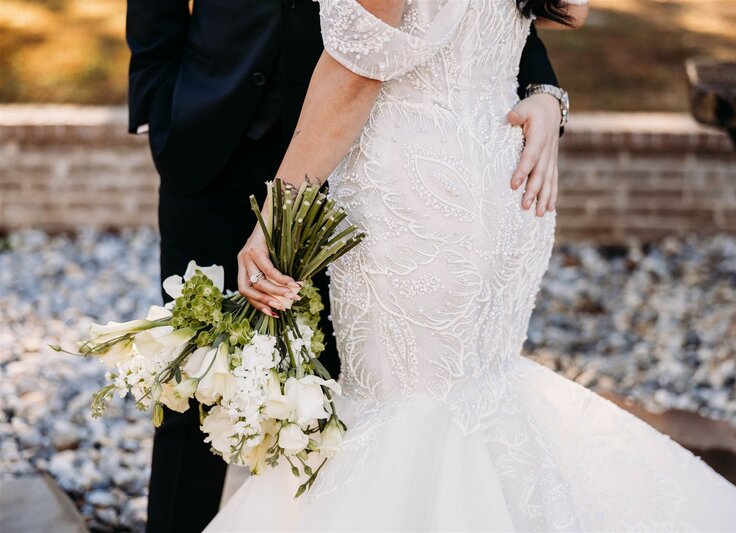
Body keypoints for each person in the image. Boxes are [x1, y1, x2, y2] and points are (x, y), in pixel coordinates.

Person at [208, 0, 736, 531]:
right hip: (501, 177)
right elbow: (571, 9)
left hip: (419, 196)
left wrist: (276, 217)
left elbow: (355, 77)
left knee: (407, 407)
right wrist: (548, 93)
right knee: (469, 395)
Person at [125, 0, 566, 530]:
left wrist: (543, 89)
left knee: (351, 392)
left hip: (357, 158)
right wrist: (157, 103)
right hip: (214, 143)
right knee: (191, 374)